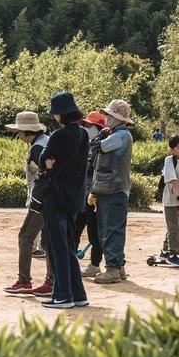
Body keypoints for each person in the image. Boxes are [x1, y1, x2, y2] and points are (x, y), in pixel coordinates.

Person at [38, 91, 91, 310]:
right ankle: (78, 294)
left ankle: (63, 295)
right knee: (68, 247)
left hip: (56, 197)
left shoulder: (59, 136)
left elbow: (45, 160)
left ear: (60, 114)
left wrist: (46, 162)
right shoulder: (84, 134)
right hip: (75, 198)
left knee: (57, 247)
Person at [3, 111, 52, 297]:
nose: (18, 135)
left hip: (42, 200)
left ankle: (24, 280)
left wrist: (37, 200)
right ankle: (51, 281)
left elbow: (45, 176)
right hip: (50, 200)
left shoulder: (37, 148)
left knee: (25, 236)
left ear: (25, 131)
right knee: (48, 241)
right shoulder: (45, 141)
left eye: (19, 131)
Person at [90, 99, 135, 284]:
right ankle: (119, 266)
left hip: (114, 189)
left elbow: (100, 146)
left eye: (109, 115)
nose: (106, 118)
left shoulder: (121, 136)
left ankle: (113, 269)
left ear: (118, 118)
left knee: (111, 230)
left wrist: (99, 138)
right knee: (109, 229)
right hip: (108, 189)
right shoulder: (116, 134)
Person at [77, 110, 105, 276]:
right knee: (75, 230)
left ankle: (94, 265)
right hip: (80, 195)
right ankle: (72, 260)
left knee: (94, 233)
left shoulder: (102, 147)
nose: (86, 128)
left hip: (94, 195)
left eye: (89, 125)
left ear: (98, 128)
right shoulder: (85, 145)